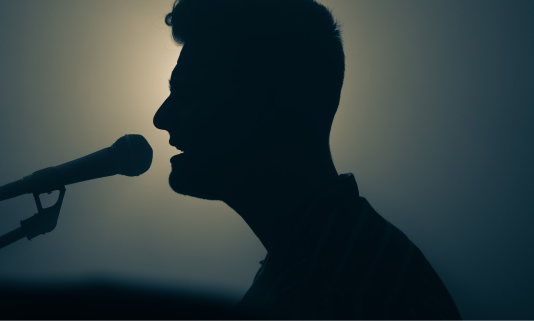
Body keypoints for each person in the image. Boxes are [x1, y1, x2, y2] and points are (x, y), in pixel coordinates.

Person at [153, 0, 461, 319]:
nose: (161, 118)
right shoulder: (311, 269)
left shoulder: (351, 284)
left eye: (189, 92)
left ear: (269, 103)